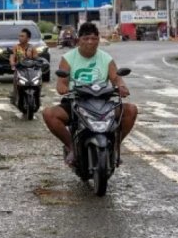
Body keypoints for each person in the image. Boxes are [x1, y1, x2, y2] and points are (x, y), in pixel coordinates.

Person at [42, 22, 138, 166]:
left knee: (131, 110)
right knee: (49, 114)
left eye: (94, 38)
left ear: (98, 40)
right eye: (86, 38)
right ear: (78, 40)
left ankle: (116, 145)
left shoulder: (106, 58)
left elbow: (116, 78)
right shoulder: (68, 58)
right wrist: (63, 87)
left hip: (103, 103)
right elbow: (62, 82)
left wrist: (121, 87)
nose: (90, 42)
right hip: (76, 102)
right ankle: (71, 146)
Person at [9, 28, 37, 106]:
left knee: (37, 80)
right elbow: (12, 56)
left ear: (28, 38)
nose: (20, 38)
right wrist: (12, 63)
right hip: (20, 69)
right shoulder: (16, 47)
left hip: (31, 70)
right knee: (16, 80)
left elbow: (36, 58)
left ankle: (37, 94)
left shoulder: (32, 48)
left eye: (22, 36)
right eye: (19, 36)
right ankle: (15, 95)